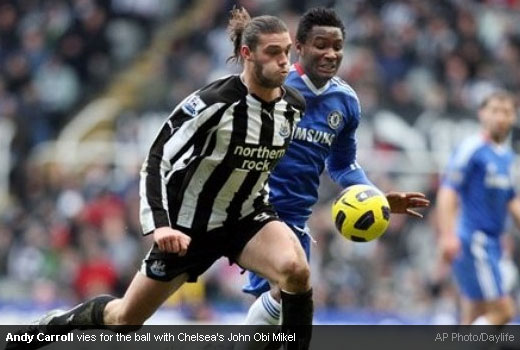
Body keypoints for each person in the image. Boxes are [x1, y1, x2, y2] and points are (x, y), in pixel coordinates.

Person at [7, 8, 313, 350]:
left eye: (287, 51)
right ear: (247, 54)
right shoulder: (212, 104)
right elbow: (156, 159)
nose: (284, 61)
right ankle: (55, 323)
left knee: (296, 271)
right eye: (273, 52)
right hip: (188, 228)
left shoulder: (294, 106)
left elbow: (260, 166)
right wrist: (161, 225)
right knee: (125, 320)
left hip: (247, 218)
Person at [240, 7, 430, 329]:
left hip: (297, 218)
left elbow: (342, 164)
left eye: (337, 46)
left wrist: (374, 196)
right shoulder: (273, 87)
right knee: (287, 295)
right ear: (298, 47)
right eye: (321, 44)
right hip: (256, 210)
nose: (331, 54)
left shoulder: (346, 101)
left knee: (289, 318)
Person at [437, 90, 520, 325]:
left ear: (514, 117)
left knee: (475, 313)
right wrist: (447, 235)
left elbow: (512, 201)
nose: (500, 118)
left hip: (491, 244)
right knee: (504, 312)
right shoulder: (472, 148)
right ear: (482, 114)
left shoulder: (508, 158)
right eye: (495, 111)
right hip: (475, 241)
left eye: (506, 112)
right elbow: (448, 190)